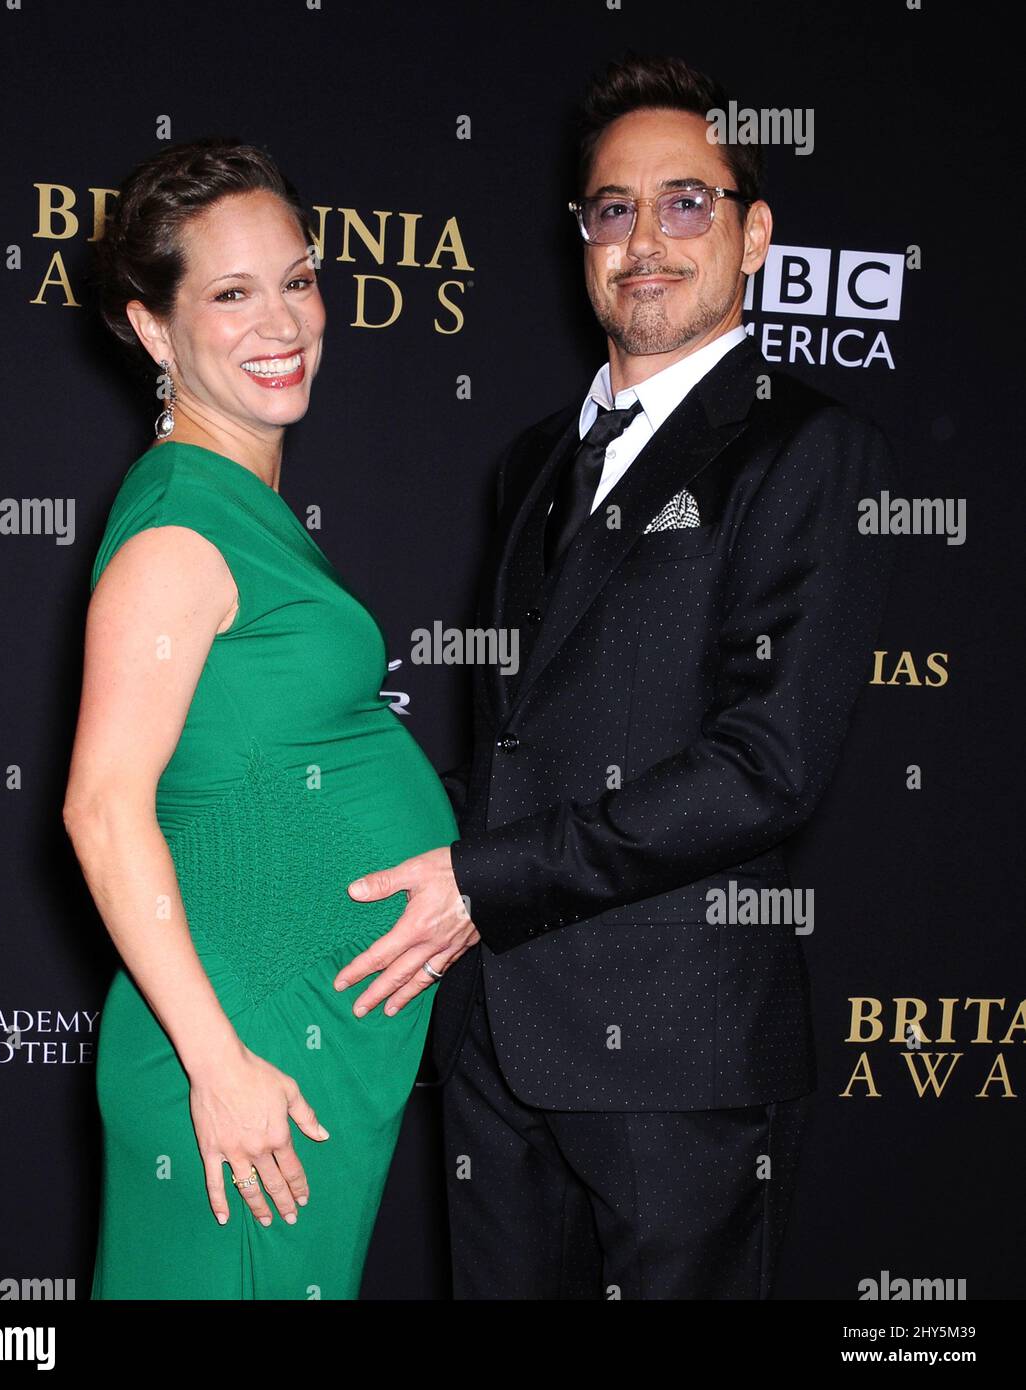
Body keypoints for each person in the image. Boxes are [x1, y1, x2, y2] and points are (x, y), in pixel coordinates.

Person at [336, 55, 896, 1298]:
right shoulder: (534, 458)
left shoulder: (811, 451)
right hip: (494, 1041)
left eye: (686, 202)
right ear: (580, 237)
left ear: (755, 234)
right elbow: (522, 743)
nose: (645, 239)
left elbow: (766, 769)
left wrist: (484, 879)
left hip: (679, 1062)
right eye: (613, 208)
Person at [63, 138, 459, 1299]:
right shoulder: (180, 528)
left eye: (297, 280)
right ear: (154, 329)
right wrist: (219, 1065)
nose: (282, 323)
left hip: (297, 1041)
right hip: (243, 1054)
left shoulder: (238, 505)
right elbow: (102, 808)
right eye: (231, 294)